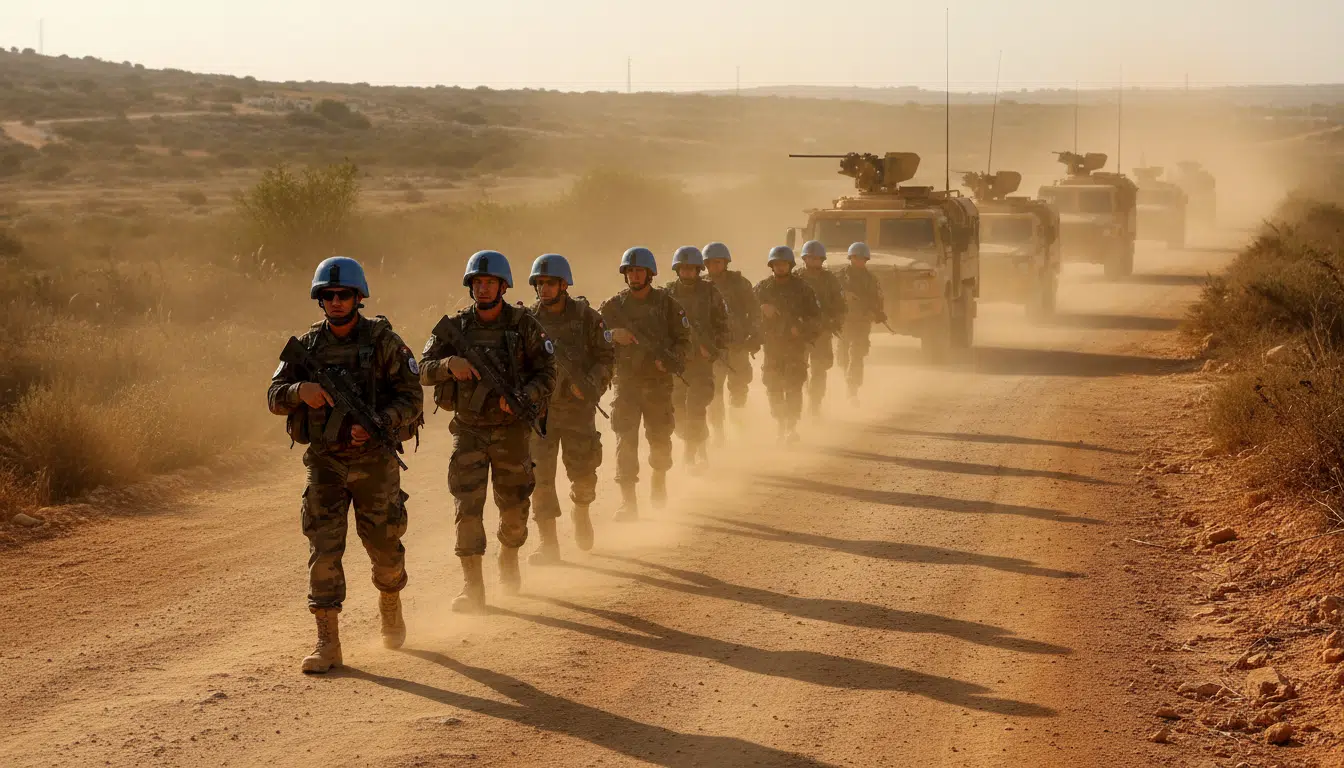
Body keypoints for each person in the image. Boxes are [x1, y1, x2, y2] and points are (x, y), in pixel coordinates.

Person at [267, 256, 424, 674]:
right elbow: (273, 396)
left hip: (374, 463)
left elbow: (412, 399)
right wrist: (302, 390)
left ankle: (390, 601)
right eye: (328, 295)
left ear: (358, 298)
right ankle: (327, 641)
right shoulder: (308, 347)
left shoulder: (384, 342)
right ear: (320, 300)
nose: (336, 302)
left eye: (344, 295)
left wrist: (378, 424)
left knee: (386, 551)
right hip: (325, 464)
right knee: (323, 550)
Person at [418, 250, 556, 613]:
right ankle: (472, 585)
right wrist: (450, 364)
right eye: (477, 283)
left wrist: (525, 396)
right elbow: (422, 368)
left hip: (511, 432)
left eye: (489, 282)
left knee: (514, 509)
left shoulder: (523, 325)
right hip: (469, 431)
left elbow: (548, 373)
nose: (482, 289)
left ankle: (508, 556)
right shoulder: (456, 328)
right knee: (467, 508)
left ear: (503, 286)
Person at [525, 253, 615, 563]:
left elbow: (606, 358)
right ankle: (548, 544)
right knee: (540, 480)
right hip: (541, 414)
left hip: (578, 410)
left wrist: (590, 384)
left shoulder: (587, 317)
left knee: (584, 476)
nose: (544, 289)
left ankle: (581, 510)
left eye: (550, 283)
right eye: (539, 283)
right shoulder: (527, 321)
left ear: (564, 284)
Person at [599, 247, 692, 519]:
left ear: (650, 274)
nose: (634, 275)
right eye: (630, 271)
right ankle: (629, 502)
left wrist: (671, 360)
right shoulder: (613, 306)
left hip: (658, 384)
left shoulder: (667, 304)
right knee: (625, 442)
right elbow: (594, 337)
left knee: (660, 440)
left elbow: (684, 340)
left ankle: (659, 482)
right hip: (626, 384)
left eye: (639, 270)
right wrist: (612, 334)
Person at [665, 245, 731, 472]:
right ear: (677, 270)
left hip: (701, 364)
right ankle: (695, 443)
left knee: (696, 407)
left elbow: (723, 325)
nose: (687, 273)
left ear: (698, 270)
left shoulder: (711, 293)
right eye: (683, 269)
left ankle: (694, 453)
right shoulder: (667, 294)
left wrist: (713, 348)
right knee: (676, 411)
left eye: (692, 269)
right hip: (677, 363)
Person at [754, 246, 823, 444]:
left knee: (793, 387)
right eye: (776, 264)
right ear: (771, 266)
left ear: (790, 265)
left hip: (795, 347)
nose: (780, 267)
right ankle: (780, 424)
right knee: (773, 387)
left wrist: (800, 328)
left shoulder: (803, 289)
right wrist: (762, 309)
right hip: (772, 346)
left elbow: (816, 318)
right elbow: (748, 314)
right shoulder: (762, 289)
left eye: (783, 264)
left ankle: (791, 427)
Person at [703, 241, 761, 445]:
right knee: (714, 391)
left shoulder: (740, 284)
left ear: (725, 262)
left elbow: (754, 311)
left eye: (718, 262)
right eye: (710, 263)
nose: (714, 267)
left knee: (739, 386)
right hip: (714, 347)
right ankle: (718, 431)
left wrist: (754, 334)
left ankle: (738, 423)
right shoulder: (702, 286)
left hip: (737, 344)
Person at [795, 240, 846, 418]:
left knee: (819, 369)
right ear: (804, 258)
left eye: (817, 258)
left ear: (822, 260)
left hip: (822, 332)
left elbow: (840, 304)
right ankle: (797, 404)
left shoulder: (830, 279)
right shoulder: (795, 278)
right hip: (800, 333)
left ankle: (815, 404)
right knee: (798, 370)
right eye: (811, 258)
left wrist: (835, 320)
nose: (814, 261)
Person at [836, 242, 887, 403]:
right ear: (850, 258)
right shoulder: (839, 276)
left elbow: (878, 298)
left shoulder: (871, 279)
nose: (858, 261)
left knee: (857, 354)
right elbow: (831, 294)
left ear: (866, 260)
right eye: (855, 258)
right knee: (843, 357)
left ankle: (853, 390)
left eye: (862, 258)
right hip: (843, 321)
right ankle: (848, 381)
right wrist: (845, 295)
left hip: (862, 321)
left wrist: (878, 312)